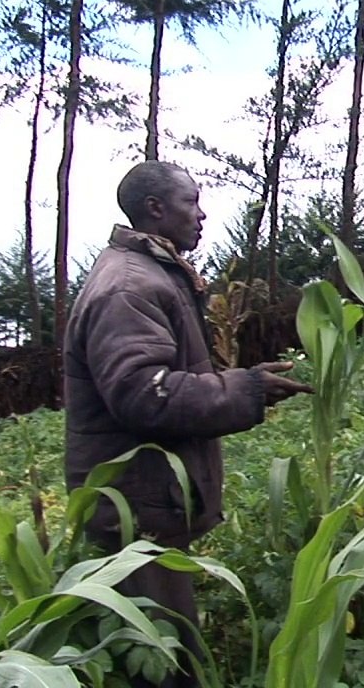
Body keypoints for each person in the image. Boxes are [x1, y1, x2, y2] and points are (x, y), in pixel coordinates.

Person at [63, 160, 312, 687]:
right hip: (134, 512)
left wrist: (242, 385)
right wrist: (246, 389)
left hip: (147, 502)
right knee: (167, 663)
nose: (201, 215)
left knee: (167, 652)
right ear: (155, 209)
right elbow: (141, 393)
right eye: (191, 202)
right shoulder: (129, 286)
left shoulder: (154, 274)